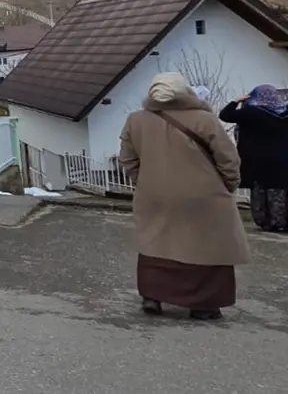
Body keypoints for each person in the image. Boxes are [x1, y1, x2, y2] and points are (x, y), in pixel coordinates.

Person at [118, 72, 250, 320]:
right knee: (207, 247)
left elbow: (127, 159)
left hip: (154, 194)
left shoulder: (135, 120)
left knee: (156, 243)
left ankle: (152, 297)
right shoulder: (205, 120)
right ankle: (204, 305)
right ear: (185, 92)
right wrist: (229, 185)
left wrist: (144, 182)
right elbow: (228, 159)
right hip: (204, 196)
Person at [219, 85, 288, 232]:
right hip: (282, 161)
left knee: (259, 192)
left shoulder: (250, 112)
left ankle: (265, 222)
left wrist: (235, 101)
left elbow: (225, 115)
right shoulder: (284, 113)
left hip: (256, 161)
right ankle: (281, 221)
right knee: (278, 191)